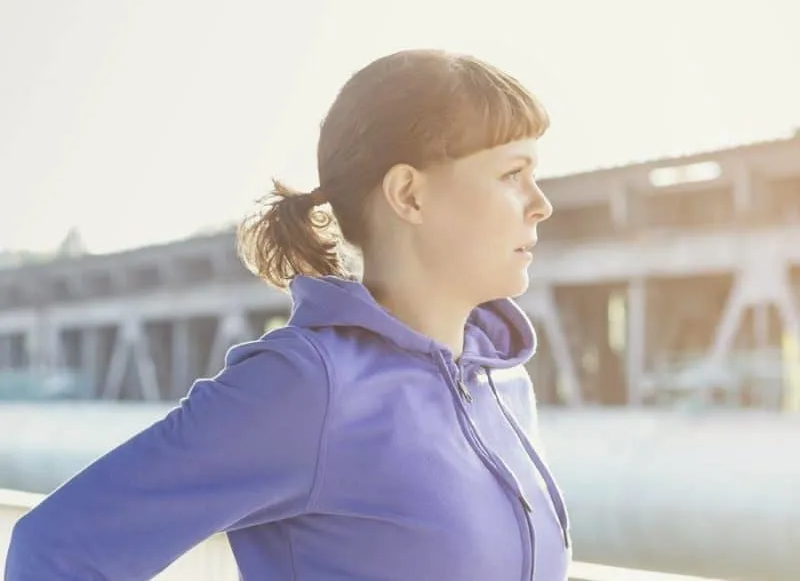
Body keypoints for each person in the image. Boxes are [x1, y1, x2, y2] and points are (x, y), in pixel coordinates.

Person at [5, 49, 571, 580]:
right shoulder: (309, 386)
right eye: (511, 174)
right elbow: (54, 550)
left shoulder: (504, 383)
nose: (541, 204)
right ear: (410, 195)